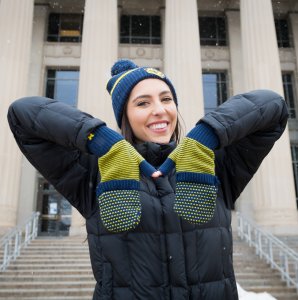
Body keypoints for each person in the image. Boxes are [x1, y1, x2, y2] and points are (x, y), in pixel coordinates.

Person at [7, 59, 288, 300]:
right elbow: (23, 114)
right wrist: (102, 141)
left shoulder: (212, 164)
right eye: (142, 103)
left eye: (166, 99)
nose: (159, 110)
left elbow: (272, 106)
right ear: (125, 116)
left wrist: (207, 135)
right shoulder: (96, 172)